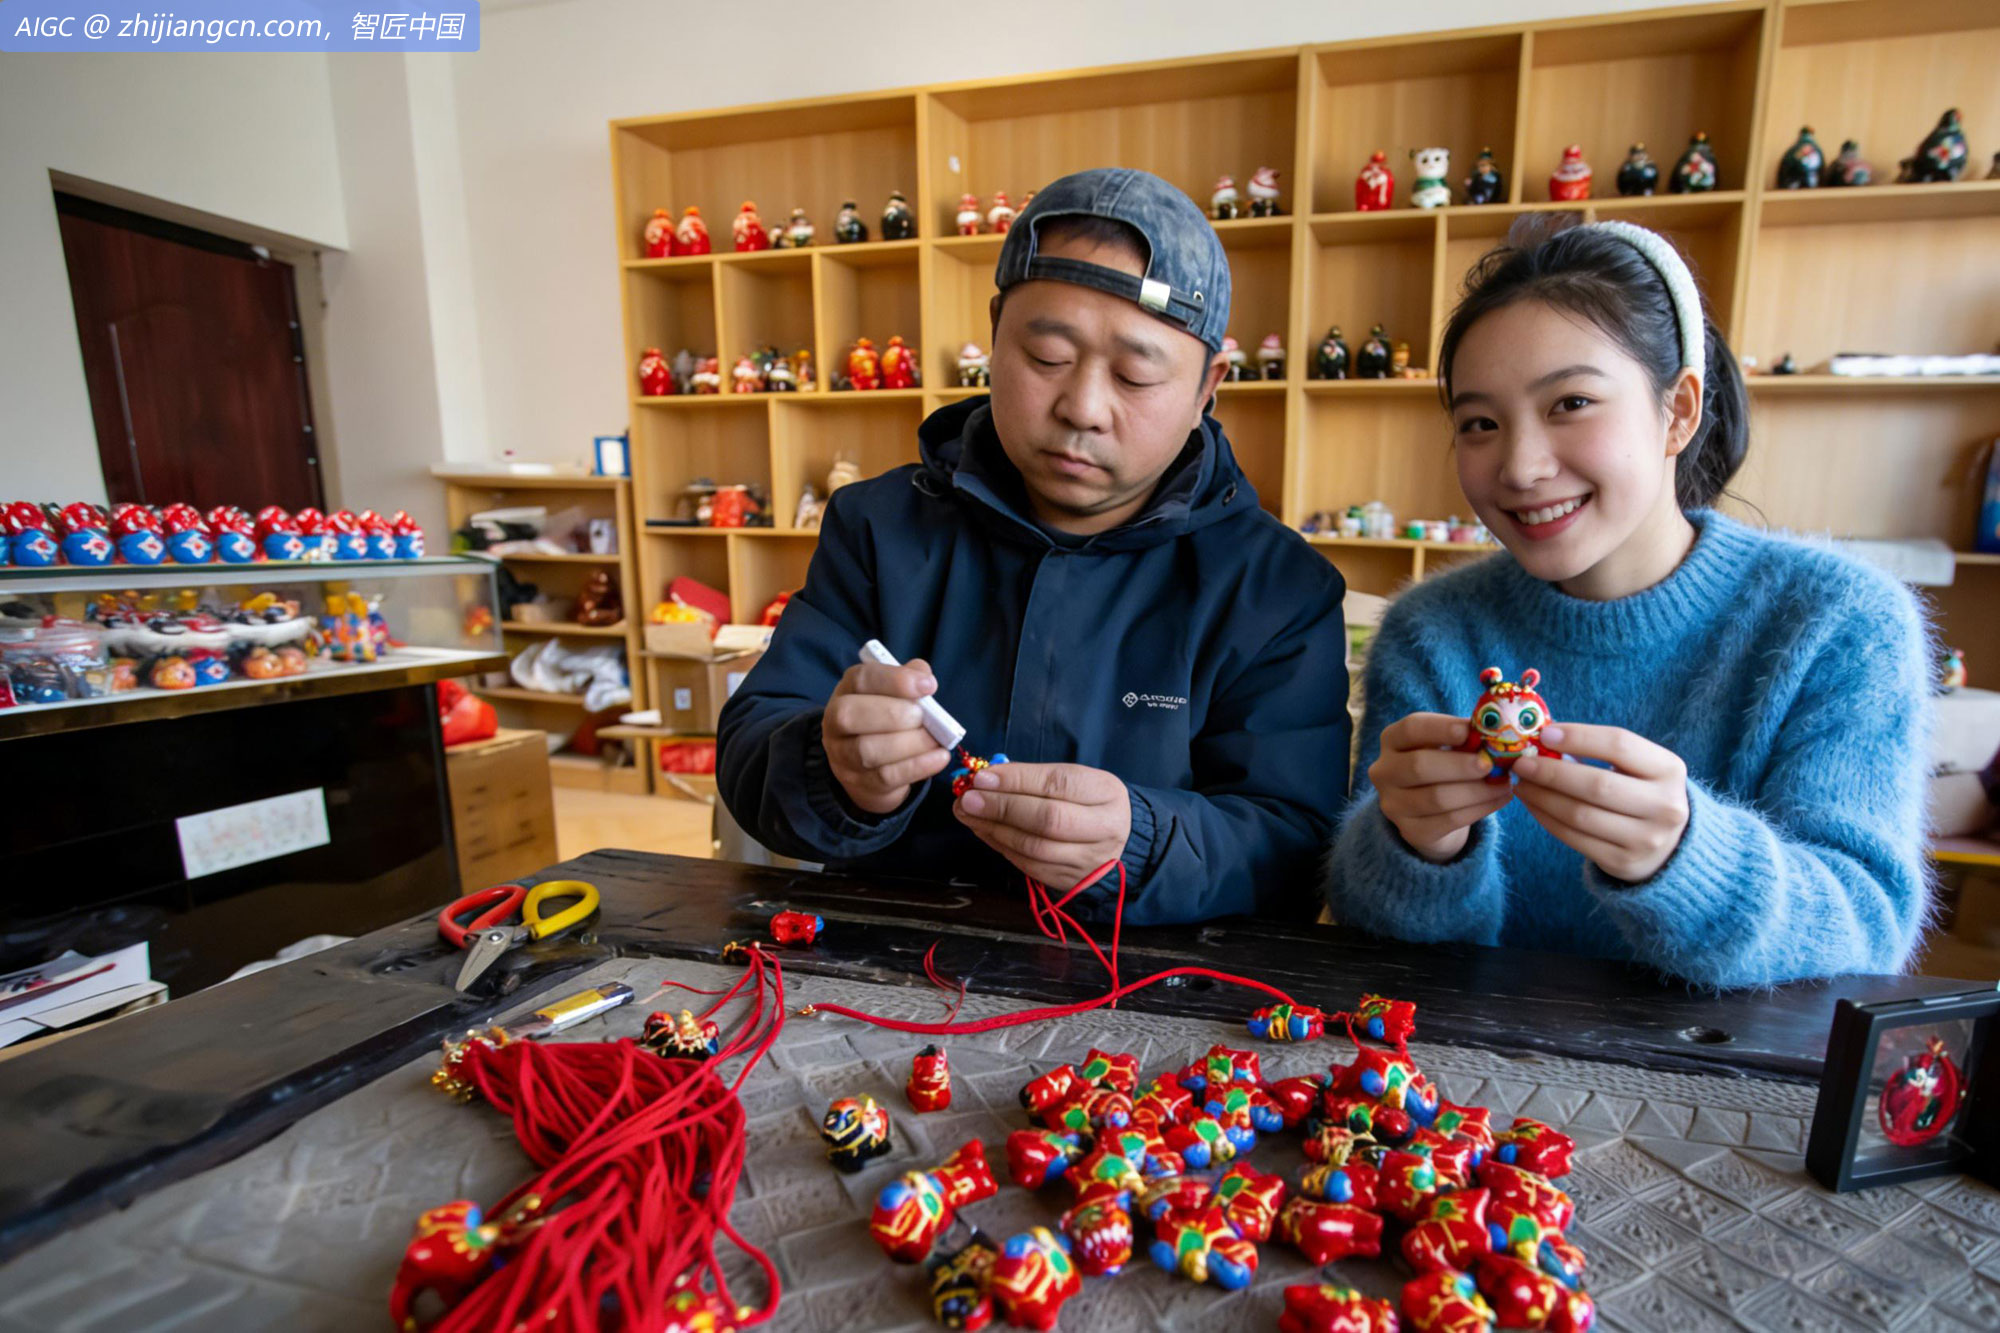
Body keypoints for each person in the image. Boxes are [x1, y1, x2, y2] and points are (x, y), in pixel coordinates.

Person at [718, 168, 1349, 923]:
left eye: (1136, 374)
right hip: (889, 971)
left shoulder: (1277, 588)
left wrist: (1142, 844)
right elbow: (752, 746)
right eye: (1047, 357)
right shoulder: (879, 528)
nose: (1081, 407)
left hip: (1158, 998)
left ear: (1207, 386)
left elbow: (1300, 842)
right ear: (994, 335)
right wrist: (836, 768)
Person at [1323, 218, 1932, 987]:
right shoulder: (1433, 631)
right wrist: (1415, 848)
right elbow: (1373, 935)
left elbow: (1867, 930)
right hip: (1460, 1086)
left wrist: (1685, 857)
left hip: (1730, 1089)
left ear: (1677, 410)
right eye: (1479, 423)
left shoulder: (1839, 622)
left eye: (1571, 402)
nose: (1521, 466)